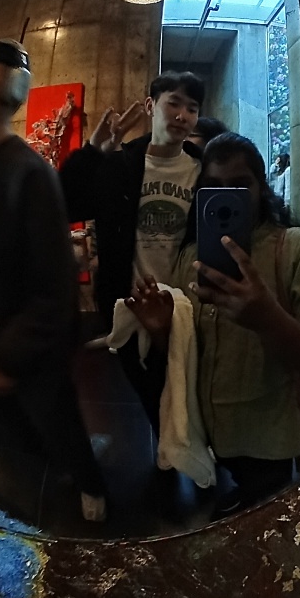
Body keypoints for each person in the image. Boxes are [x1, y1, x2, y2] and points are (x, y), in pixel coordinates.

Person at [128, 133, 300, 512]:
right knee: (238, 490)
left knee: (265, 509)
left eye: (240, 184)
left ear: (261, 187)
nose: (226, 195)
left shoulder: (296, 249)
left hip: (269, 438)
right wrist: (162, 329)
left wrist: (267, 319)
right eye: (214, 186)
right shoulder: (191, 257)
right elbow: (183, 346)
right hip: (209, 432)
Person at [0, 38, 106, 523]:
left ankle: (92, 485)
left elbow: (53, 289)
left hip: (33, 357)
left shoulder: (31, 173)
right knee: (21, 445)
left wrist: (6, 357)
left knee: (62, 428)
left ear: (14, 85)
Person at [60, 71, 206, 432]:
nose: (182, 115)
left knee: (192, 397)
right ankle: (165, 449)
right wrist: (93, 151)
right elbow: (65, 204)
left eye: (192, 108)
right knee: (151, 398)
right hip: (129, 306)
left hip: (187, 308)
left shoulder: (204, 170)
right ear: (151, 106)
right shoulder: (119, 165)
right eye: (173, 103)